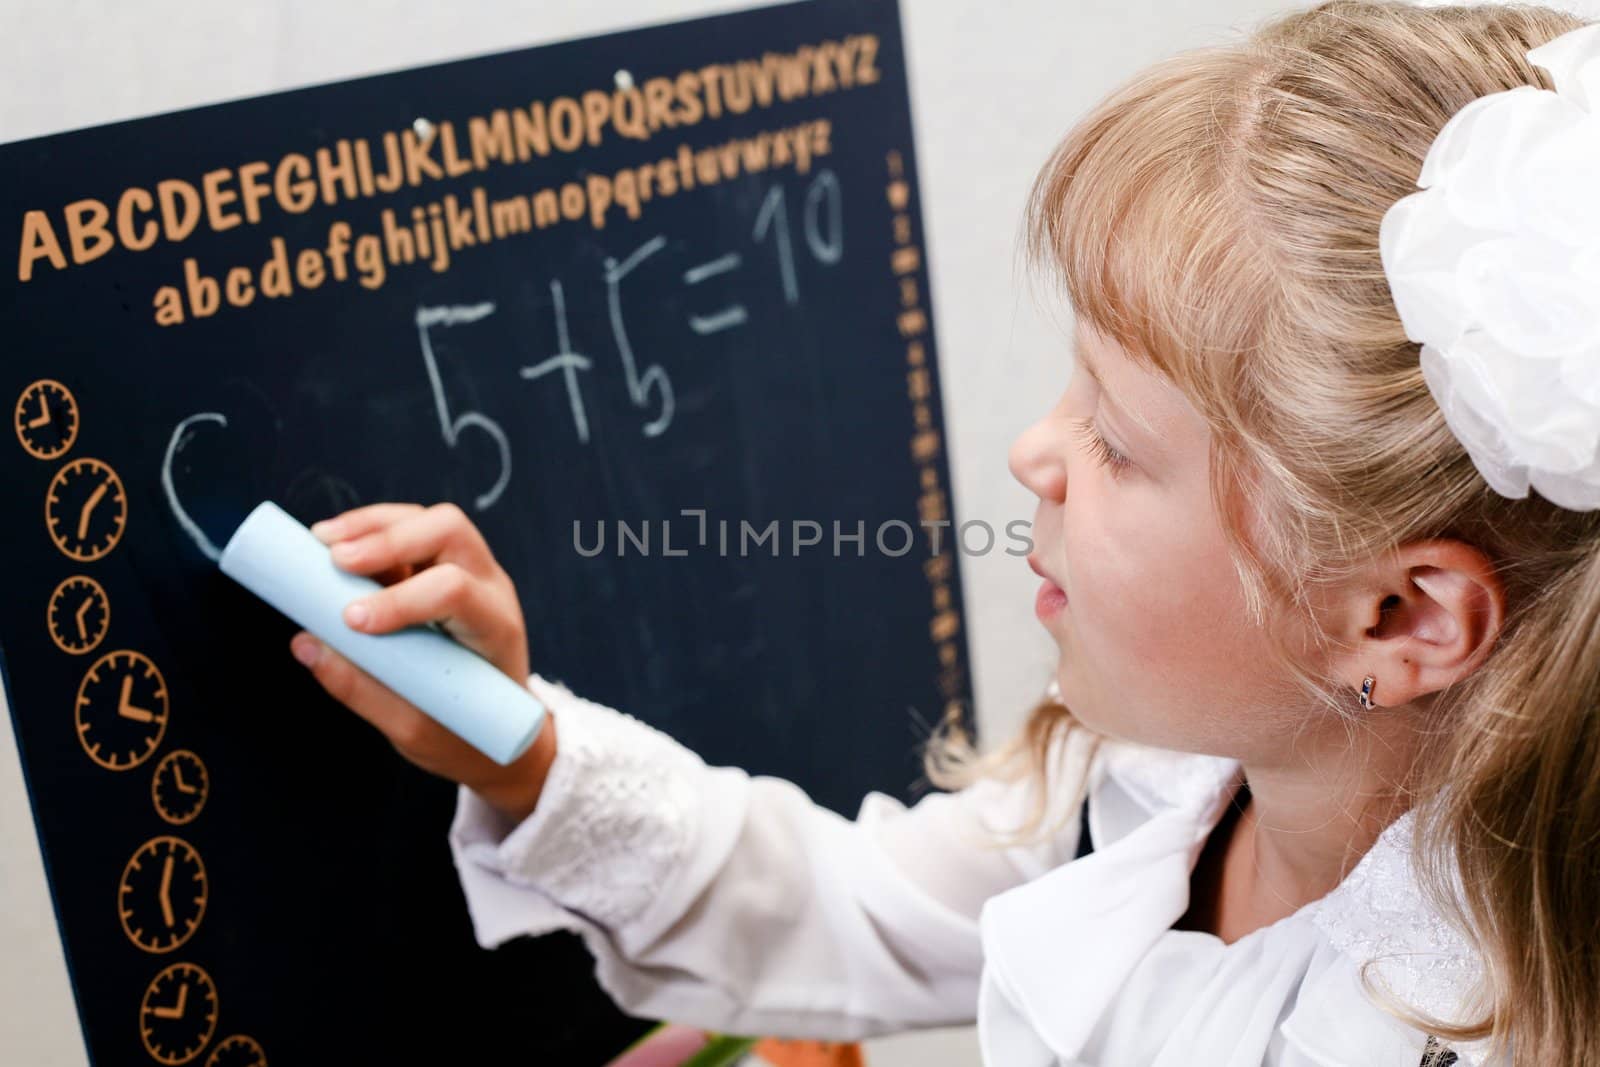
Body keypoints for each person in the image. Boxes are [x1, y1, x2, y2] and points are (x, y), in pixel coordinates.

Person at [287, 3, 1600, 1063]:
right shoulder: (1141, 801)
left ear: (1404, 618)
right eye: (1070, 389)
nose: (1036, 453)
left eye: (1118, 445)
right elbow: (842, 907)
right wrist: (521, 750)